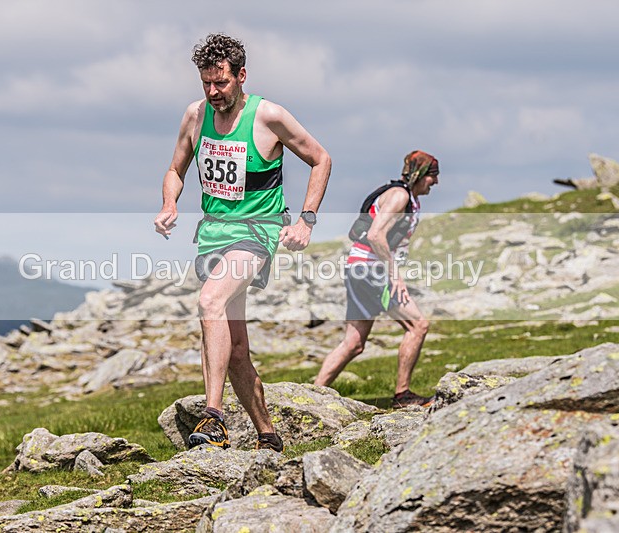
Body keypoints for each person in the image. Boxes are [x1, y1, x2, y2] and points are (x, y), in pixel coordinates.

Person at [154, 34, 331, 451]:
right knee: (233, 350)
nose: (213, 93)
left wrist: (306, 220)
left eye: (222, 83)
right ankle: (268, 435)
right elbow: (176, 169)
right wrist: (168, 203)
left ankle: (213, 418)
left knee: (209, 302)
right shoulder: (195, 116)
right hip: (212, 236)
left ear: (241, 76)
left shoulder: (268, 116)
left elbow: (321, 158)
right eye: (206, 84)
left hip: (256, 233)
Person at [314, 151, 439, 409]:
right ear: (420, 175)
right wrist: (395, 275)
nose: (435, 183)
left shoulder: (407, 197)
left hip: (360, 268)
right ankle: (402, 395)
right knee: (418, 325)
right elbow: (375, 235)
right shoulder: (400, 196)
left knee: (354, 344)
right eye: (432, 177)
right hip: (370, 271)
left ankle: (312, 394)